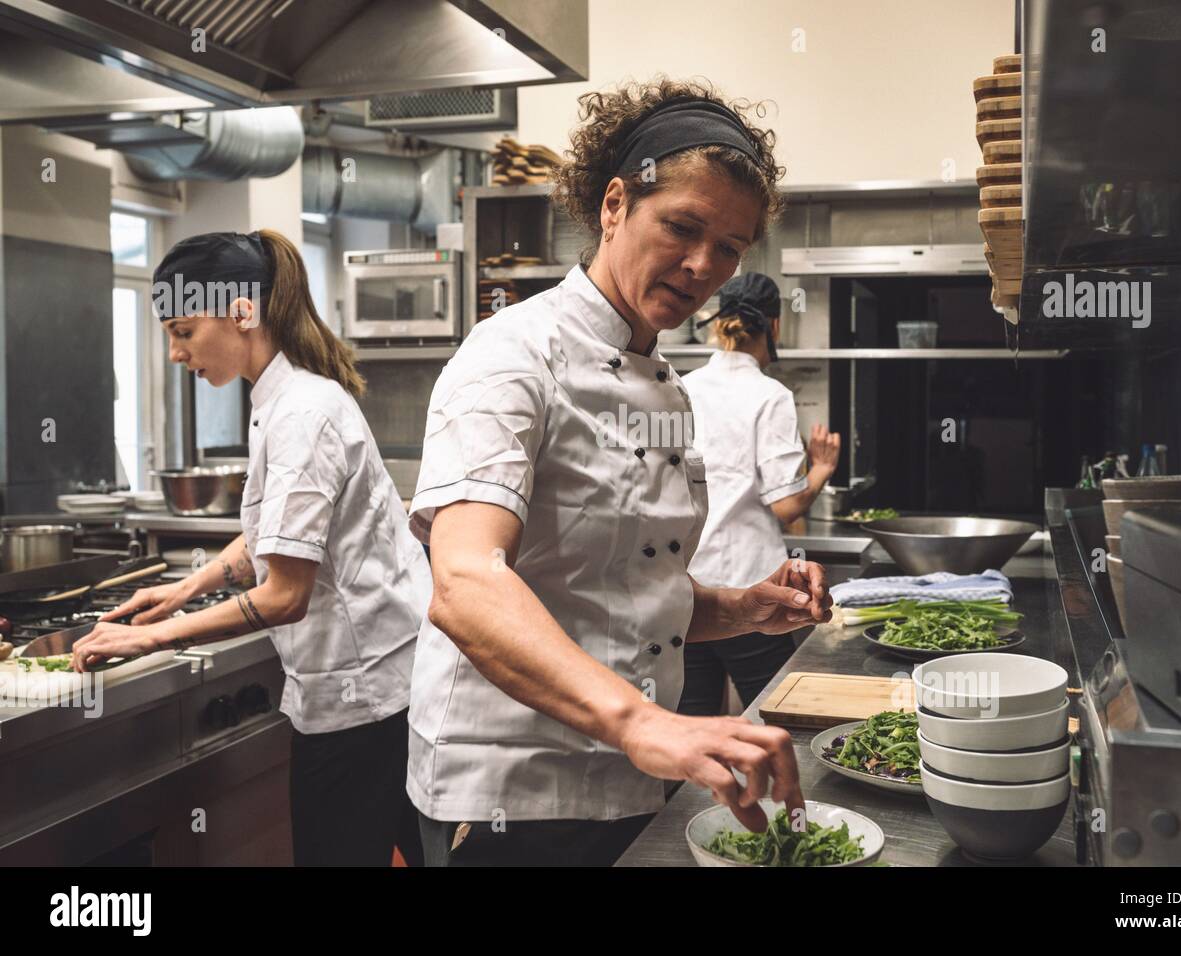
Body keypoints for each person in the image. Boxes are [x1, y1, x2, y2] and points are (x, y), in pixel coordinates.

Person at [406, 78, 832, 867]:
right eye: (682, 226)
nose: (704, 265)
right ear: (612, 206)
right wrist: (643, 722)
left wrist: (740, 608)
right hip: (514, 794)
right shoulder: (511, 355)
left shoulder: (664, 381)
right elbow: (464, 582)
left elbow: (620, 593)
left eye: (731, 247)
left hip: (623, 781)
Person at [72, 229, 428, 867]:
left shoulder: (302, 414)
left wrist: (152, 638)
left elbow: (287, 595)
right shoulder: (280, 399)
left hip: (364, 698)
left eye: (182, 329)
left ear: (241, 312)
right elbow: (279, 529)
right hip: (365, 687)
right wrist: (186, 587)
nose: (176, 352)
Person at [678, 272, 841, 715]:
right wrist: (822, 469)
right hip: (753, 588)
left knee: (695, 728)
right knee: (776, 718)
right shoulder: (770, 396)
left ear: (718, 323)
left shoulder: (682, 387)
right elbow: (787, 507)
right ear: (774, 326)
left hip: (689, 586)